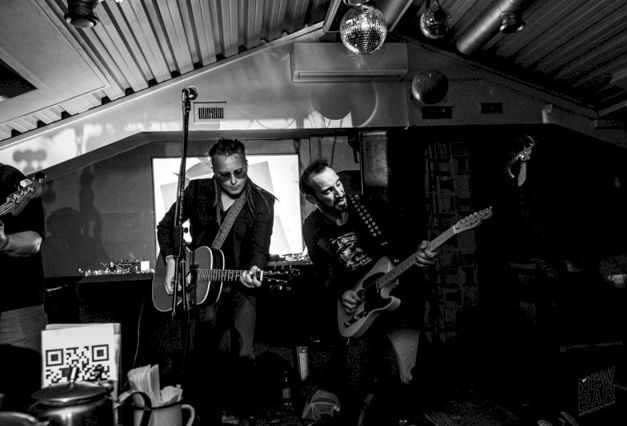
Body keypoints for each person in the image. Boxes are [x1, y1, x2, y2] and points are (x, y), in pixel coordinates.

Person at [299, 159, 437, 426]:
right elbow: (325, 273)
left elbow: (404, 243)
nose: (338, 192)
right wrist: (342, 293)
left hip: (398, 300)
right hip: (362, 309)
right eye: (327, 190)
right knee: (355, 380)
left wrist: (419, 253)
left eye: (338, 184)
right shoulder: (313, 227)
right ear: (311, 198)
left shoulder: (370, 208)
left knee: (403, 379)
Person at [156, 139, 275, 425]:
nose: (233, 180)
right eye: (225, 175)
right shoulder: (197, 191)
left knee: (242, 353)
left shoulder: (262, 202)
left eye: (239, 172)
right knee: (206, 353)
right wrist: (172, 260)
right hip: (200, 286)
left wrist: (254, 270)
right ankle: (207, 416)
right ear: (214, 172)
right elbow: (167, 226)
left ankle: (242, 414)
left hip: (238, 285)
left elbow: (259, 249)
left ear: (246, 165)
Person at [0, 163, 48, 411]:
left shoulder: (11, 180)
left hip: (14, 308)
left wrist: (5, 241)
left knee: (23, 399)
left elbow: (34, 240)